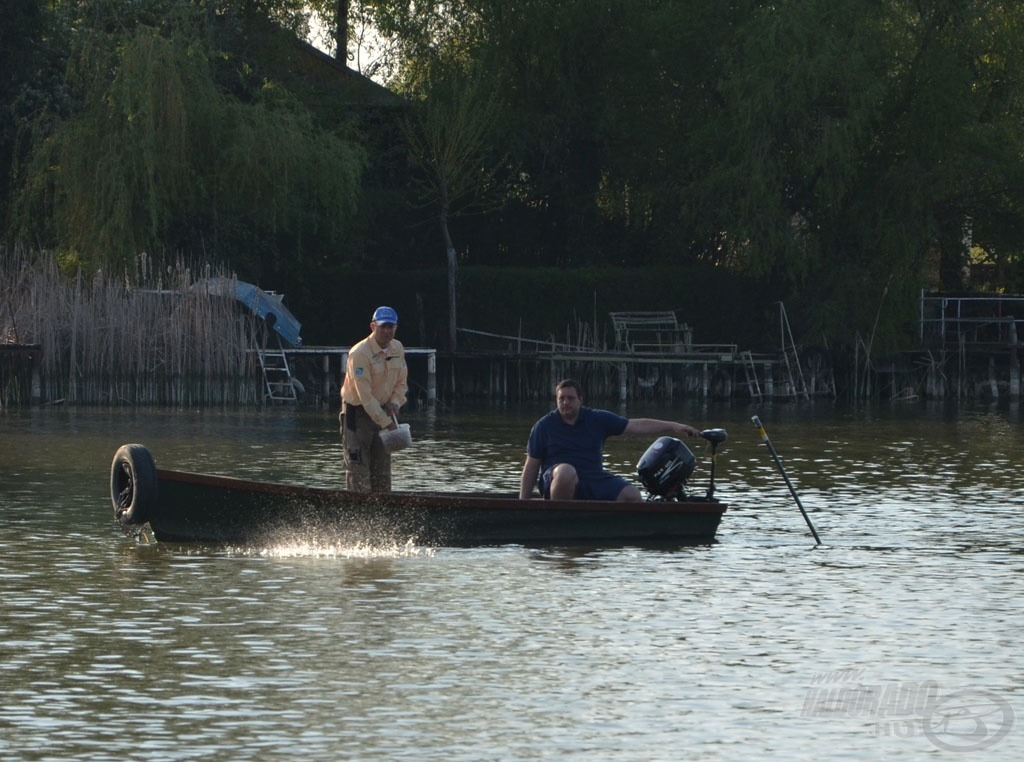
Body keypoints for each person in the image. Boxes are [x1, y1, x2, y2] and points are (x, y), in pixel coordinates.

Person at [519, 378, 699, 502]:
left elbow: (636, 426)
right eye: (561, 399)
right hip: (558, 480)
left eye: (570, 398)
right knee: (566, 471)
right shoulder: (544, 426)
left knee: (632, 495)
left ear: (580, 400)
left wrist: (674, 426)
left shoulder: (597, 419)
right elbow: (531, 466)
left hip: (592, 478)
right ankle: (559, 524)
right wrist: (523, 504)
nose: (565, 403)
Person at [340, 306, 409, 492]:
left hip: (385, 410)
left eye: (391, 327)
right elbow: (365, 397)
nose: (387, 331)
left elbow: (402, 383)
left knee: (382, 473)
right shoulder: (359, 353)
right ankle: (358, 515)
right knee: (358, 471)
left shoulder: (398, 348)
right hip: (358, 414)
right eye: (383, 326)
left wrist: (395, 402)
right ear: (373, 326)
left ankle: (384, 514)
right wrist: (388, 424)